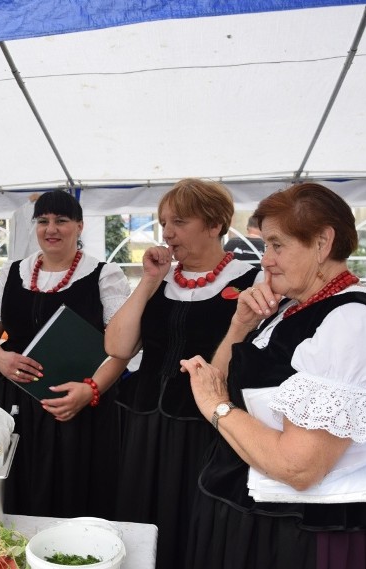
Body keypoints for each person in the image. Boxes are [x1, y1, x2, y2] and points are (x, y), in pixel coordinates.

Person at [181, 182, 366, 568]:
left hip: (299, 534)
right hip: (259, 510)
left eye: (276, 245)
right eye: (266, 246)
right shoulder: (291, 308)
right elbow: (219, 380)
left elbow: (299, 468)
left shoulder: (349, 322)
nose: (265, 260)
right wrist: (240, 325)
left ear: (322, 242)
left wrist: (218, 409)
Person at [104, 178, 261, 568]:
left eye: (179, 222)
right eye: (163, 223)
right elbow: (117, 348)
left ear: (215, 224)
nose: (167, 233)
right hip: (144, 424)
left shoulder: (251, 281)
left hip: (204, 427)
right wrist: (148, 282)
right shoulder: (160, 280)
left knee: (192, 522)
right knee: (139, 517)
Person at [0, 190, 131, 519]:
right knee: (18, 484)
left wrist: (90, 391)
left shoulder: (104, 275)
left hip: (76, 402)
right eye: (43, 221)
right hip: (17, 399)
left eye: (61, 221)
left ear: (79, 226)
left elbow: (122, 349)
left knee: (75, 487)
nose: (51, 228)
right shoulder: (14, 271)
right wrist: (1, 360)